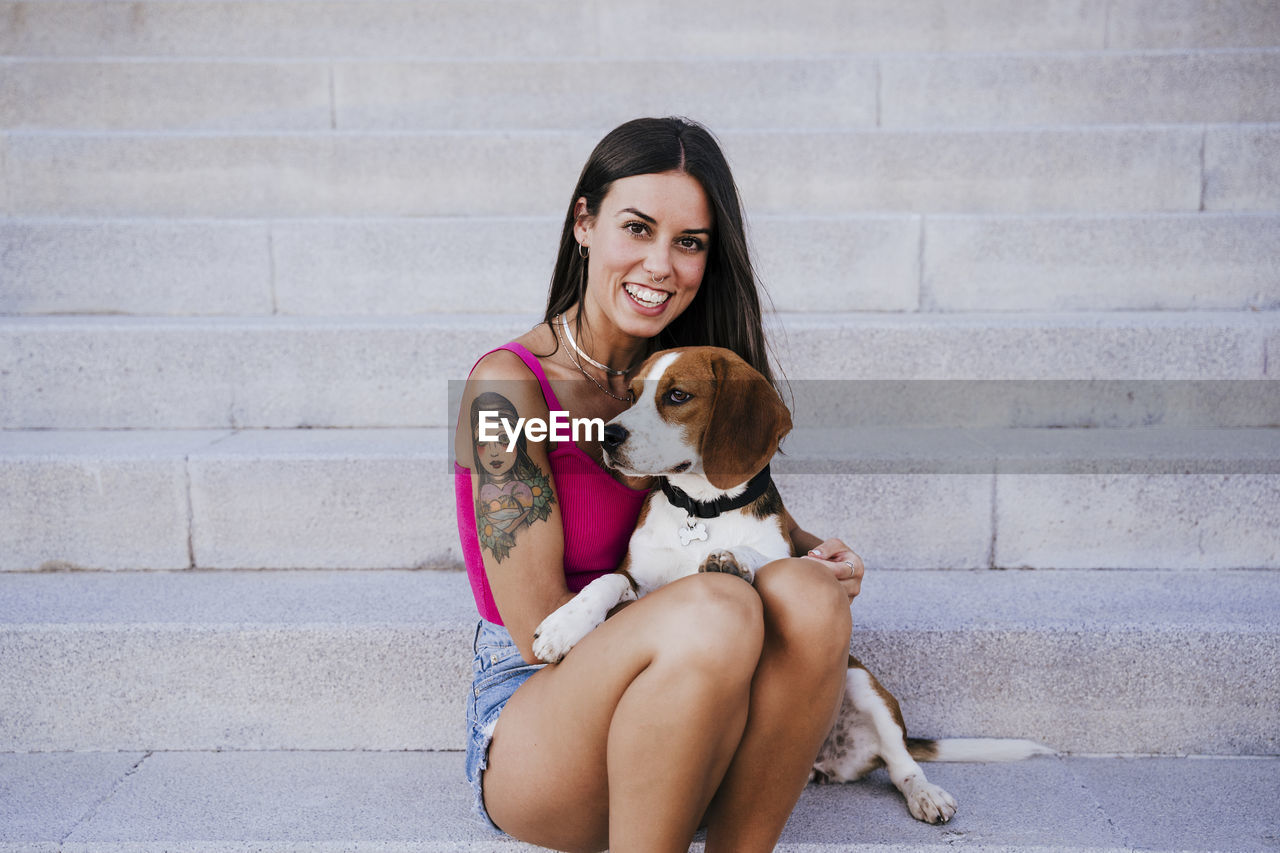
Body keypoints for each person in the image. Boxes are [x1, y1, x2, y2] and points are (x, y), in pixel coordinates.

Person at [454, 116, 865, 853]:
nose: (660, 264)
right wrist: (707, 600)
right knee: (716, 606)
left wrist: (819, 556)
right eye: (637, 228)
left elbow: (735, 510)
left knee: (806, 591)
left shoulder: (687, 378)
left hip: (697, 720)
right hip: (543, 727)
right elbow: (539, 632)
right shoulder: (506, 389)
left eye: (689, 242)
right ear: (584, 222)